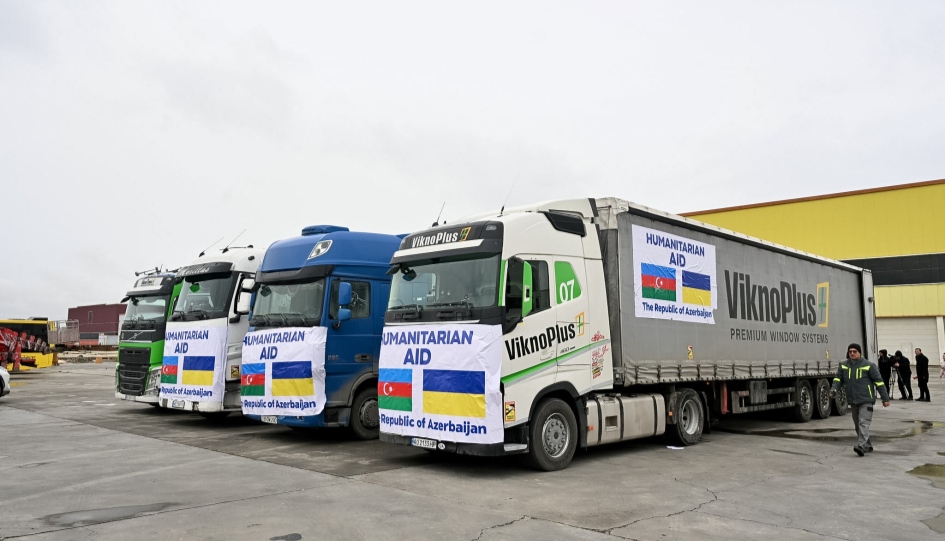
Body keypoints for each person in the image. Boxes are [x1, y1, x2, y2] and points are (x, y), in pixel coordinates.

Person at [830, 343, 890, 456]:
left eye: (854, 351)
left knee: (864, 423)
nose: (852, 353)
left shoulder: (869, 365)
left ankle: (861, 446)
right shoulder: (843, 365)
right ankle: (867, 445)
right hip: (853, 400)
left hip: (866, 400)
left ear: (859, 353)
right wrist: (834, 390)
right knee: (858, 425)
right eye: (850, 352)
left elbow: (879, 382)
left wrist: (885, 398)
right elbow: (838, 379)